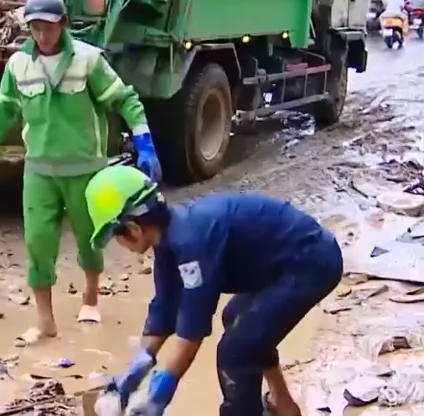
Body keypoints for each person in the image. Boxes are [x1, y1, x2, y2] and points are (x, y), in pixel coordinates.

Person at [0, 0, 160, 347]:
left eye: (48, 27)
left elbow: (124, 99)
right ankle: (45, 321)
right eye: (35, 28)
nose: (42, 35)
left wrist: (144, 143)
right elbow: (0, 114)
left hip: (86, 170)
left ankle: (91, 298)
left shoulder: (87, 60)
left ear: (63, 25)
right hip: (39, 170)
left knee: (90, 238)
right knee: (38, 242)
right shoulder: (18, 65)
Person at [86, 165, 343, 416]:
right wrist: (136, 369)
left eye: (115, 236)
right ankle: (281, 402)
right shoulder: (169, 240)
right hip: (280, 266)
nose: (118, 245)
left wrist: (159, 395)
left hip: (310, 262)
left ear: (133, 228)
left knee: (236, 352)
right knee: (237, 319)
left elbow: (192, 329)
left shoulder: (191, 243)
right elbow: (165, 310)